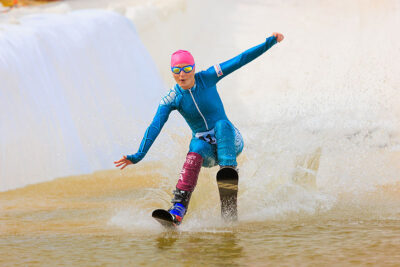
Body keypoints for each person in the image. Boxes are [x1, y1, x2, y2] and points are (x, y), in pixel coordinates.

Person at [114, 32, 284, 224]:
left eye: (186, 68)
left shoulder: (209, 76)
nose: (182, 74)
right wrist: (137, 156)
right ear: (172, 72)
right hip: (207, 152)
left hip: (230, 141)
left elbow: (240, 59)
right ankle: (177, 210)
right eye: (176, 70)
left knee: (221, 125)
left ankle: (228, 175)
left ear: (193, 68)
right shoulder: (171, 98)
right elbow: (155, 126)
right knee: (195, 147)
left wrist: (270, 42)